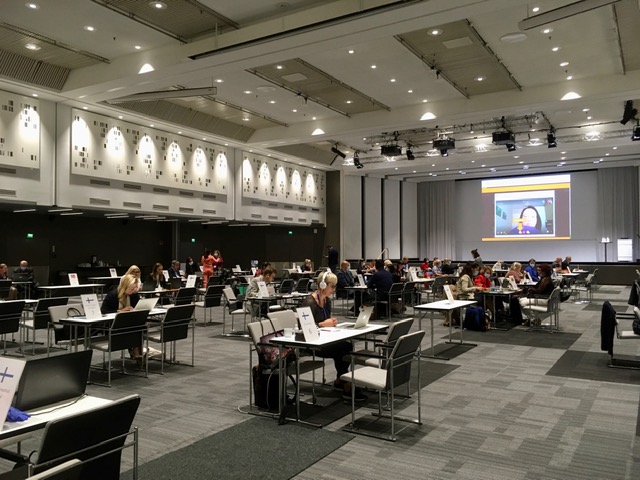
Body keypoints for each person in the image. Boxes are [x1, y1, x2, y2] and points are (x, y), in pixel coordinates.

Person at [300, 272, 367, 402]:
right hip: (312, 343)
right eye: (332, 286)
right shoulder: (309, 302)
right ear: (322, 285)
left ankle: (341, 380)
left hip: (325, 339)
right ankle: (344, 382)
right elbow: (303, 328)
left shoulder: (327, 301)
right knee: (343, 348)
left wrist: (331, 323)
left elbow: (326, 323)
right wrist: (322, 324)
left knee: (346, 345)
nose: (334, 289)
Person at [101, 274, 144, 359]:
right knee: (134, 328)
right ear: (125, 286)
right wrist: (120, 311)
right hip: (113, 323)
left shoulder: (134, 295)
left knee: (140, 325)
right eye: (131, 288)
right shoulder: (113, 294)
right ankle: (135, 350)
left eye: (135, 288)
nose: (133, 290)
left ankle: (136, 350)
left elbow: (137, 306)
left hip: (128, 321)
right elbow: (103, 311)